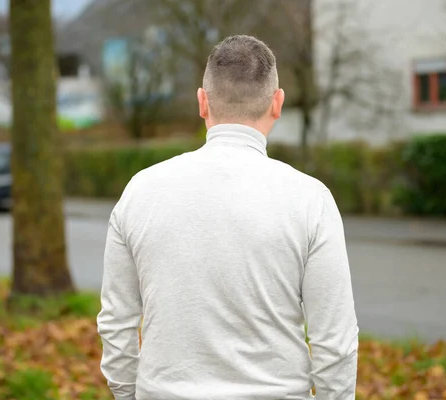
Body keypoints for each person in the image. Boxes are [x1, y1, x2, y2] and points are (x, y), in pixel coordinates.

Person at [97, 35, 359, 400]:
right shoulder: (311, 200)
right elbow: (335, 340)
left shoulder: (140, 191)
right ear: (277, 103)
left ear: (202, 102)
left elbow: (116, 323)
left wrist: (128, 395)